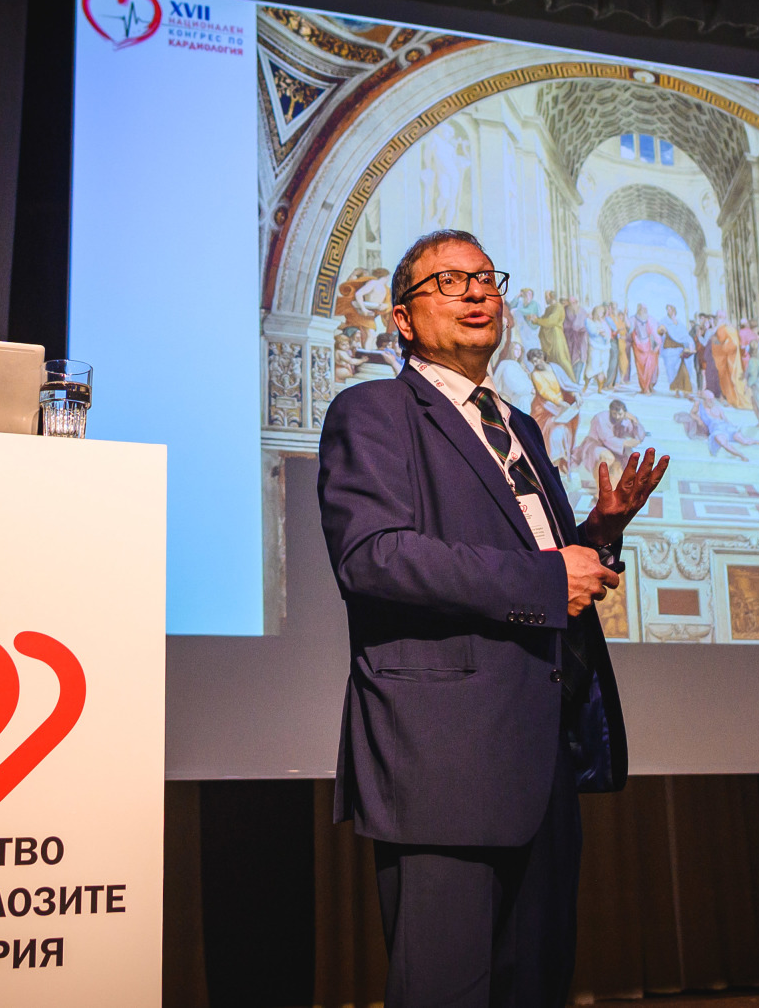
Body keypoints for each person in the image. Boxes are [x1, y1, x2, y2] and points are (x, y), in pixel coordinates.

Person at [318, 229, 667, 1006]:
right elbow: (373, 557)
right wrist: (548, 577)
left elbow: (540, 567)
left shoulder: (518, 425)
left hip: (541, 757)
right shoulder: (373, 411)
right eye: (447, 281)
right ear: (403, 318)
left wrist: (598, 534)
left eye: (484, 278)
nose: (476, 292)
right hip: (443, 762)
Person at [573, 400, 646, 486]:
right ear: (610, 411)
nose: (617, 417)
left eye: (620, 414)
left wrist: (635, 421)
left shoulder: (626, 420)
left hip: (615, 448)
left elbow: (640, 437)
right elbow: (606, 439)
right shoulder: (601, 418)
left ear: (625, 413)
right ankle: (600, 486)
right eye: (614, 414)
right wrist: (626, 442)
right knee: (608, 457)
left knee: (626, 462)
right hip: (595, 445)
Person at [527, 292, 574, 379]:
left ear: (551, 297)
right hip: (547, 339)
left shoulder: (558, 307)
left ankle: (572, 381)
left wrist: (537, 320)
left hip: (555, 337)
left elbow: (550, 321)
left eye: (546, 297)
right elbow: (543, 319)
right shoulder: (549, 308)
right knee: (550, 361)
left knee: (561, 359)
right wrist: (534, 318)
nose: (545, 299)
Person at [711, 311, 750, 408]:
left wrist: (715, 342)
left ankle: (732, 400)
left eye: (719, 317)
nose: (718, 319)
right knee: (732, 379)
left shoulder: (722, 328)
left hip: (727, 358)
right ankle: (733, 400)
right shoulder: (731, 328)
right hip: (731, 358)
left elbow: (721, 342)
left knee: (729, 379)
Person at [660, 304, 694, 397]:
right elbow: (660, 332)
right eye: (668, 310)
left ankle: (686, 391)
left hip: (680, 349)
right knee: (673, 372)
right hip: (670, 350)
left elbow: (685, 335)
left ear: (674, 310)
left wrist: (690, 344)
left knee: (684, 371)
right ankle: (676, 391)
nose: (669, 311)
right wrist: (662, 331)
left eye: (670, 309)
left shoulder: (680, 323)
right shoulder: (664, 322)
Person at [495, 341, 535, 413]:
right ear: (511, 350)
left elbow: (525, 381)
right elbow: (513, 383)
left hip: (521, 394)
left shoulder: (520, 366)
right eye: (516, 349)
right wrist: (529, 389)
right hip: (511, 397)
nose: (519, 352)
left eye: (520, 350)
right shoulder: (507, 364)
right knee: (524, 400)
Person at [630, 303, 660, 394]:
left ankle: (650, 386)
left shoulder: (651, 319)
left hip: (650, 347)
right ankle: (645, 388)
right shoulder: (633, 319)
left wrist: (657, 344)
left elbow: (656, 333)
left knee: (651, 368)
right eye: (641, 309)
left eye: (644, 309)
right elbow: (630, 329)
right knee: (641, 370)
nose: (643, 311)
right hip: (638, 347)